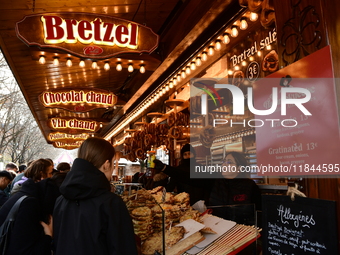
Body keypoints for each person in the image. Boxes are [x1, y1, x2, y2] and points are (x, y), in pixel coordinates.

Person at [53, 137, 137, 255]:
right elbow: (123, 248)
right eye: (113, 163)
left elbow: (58, 242)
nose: (113, 168)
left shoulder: (60, 200)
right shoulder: (111, 203)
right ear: (106, 164)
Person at [0, 160, 55, 254]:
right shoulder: (30, 202)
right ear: (42, 175)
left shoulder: (25, 194)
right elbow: (24, 248)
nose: (51, 177)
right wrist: (48, 236)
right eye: (50, 173)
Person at [208, 151, 262, 224]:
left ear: (239, 169)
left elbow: (258, 211)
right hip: (216, 227)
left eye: (229, 162)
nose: (224, 164)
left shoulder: (249, 185)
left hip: (241, 229)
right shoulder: (214, 183)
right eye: (224, 161)